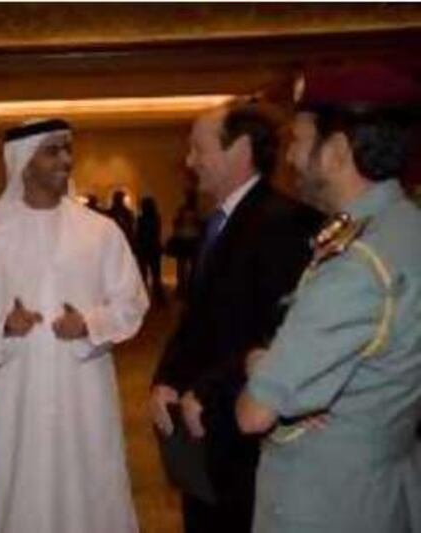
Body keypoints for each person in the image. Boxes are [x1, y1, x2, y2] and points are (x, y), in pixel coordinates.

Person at [236, 64, 421, 533]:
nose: (291, 159)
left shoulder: (358, 263)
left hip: (326, 502)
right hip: (386, 485)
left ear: (337, 152)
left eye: (298, 141)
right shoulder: (406, 229)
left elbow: (254, 413)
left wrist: (259, 361)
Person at [0, 119, 148, 533]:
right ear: (23, 162)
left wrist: (89, 323)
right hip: (19, 399)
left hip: (85, 396)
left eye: (68, 149)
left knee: (92, 485)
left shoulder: (101, 233)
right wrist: (2, 324)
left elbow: (132, 302)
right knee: (24, 490)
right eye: (52, 151)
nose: (66, 160)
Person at [149, 103, 321, 533]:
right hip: (201, 429)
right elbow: (197, 318)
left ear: (240, 149)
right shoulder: (222, 221)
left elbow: (280, 335)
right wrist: (165, 379)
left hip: (244, 429)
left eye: (198, 148)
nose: (189, 162)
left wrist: (209, 389)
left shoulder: (285, 223)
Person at [135, 196, 167, 307]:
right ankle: (159, 300)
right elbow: (156, 233)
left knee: (143, 276)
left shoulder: (141, 219)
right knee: (156, 276)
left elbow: (139, 234)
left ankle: (143, 301)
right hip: (153, 248)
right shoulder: (156, 218)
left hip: (143, 249)